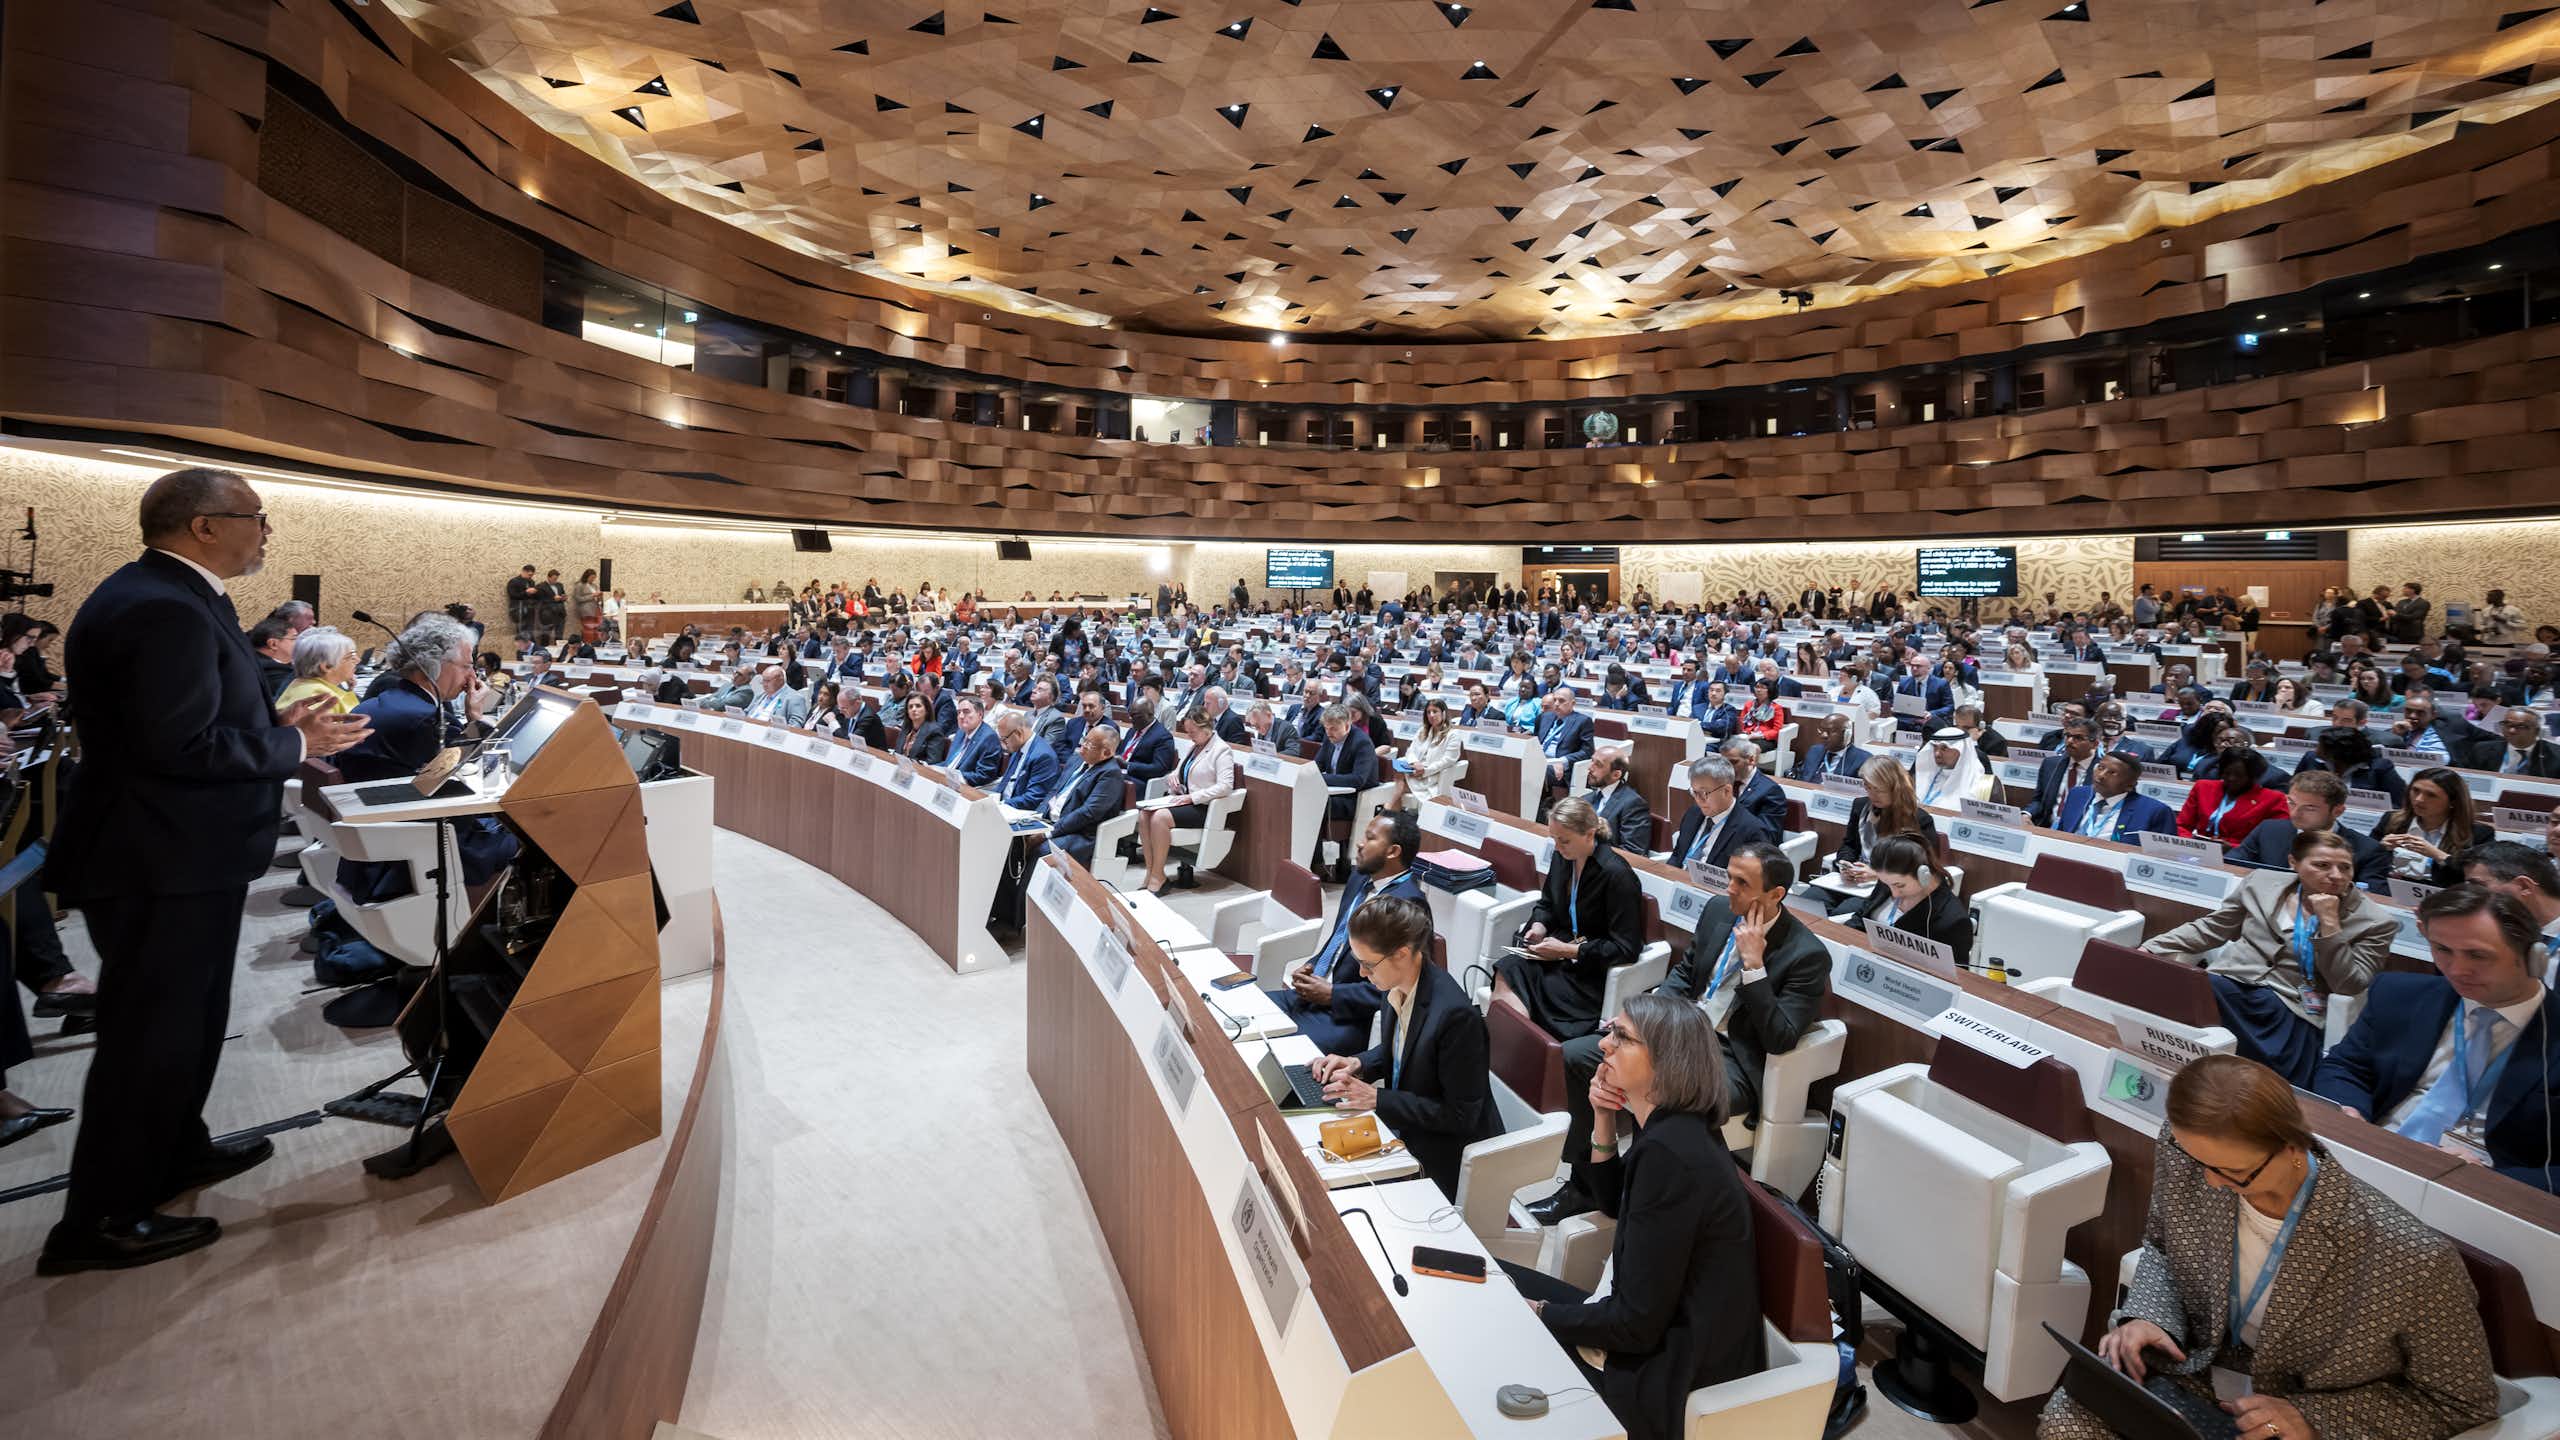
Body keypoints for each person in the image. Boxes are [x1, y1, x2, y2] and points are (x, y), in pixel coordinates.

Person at [39, 467, 372, 1274]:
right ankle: (100, 1219)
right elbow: (174, 746)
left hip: (184, 853)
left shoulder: (173, 597)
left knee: (184, 1024)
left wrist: (272, 719)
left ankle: (172, 1154)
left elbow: (192, 717)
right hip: (161, 858)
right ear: (203, 526)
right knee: (148, 1037)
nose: (265, 534)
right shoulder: (159, 606)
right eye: (257, 519)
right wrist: (296, 745)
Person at [2037, 1054, 2497, 1440]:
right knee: (2068, 1424)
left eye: (2235, 1175)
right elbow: (2161, 1246)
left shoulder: (2410, 1259)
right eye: (2202, 1164)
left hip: (2305, 1406)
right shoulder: (2189, 1154)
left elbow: (2461, 1401)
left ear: (2294, 1146)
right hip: (2198, 1369)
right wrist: (2148, 1317)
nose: (2211, 1182)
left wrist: (2315, 1421)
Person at [1503, 994, 1764, 1440]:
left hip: (1664, 1370)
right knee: (1493, 1278)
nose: (1604, 1045)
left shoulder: (1672, 1152)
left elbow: (1635, 1326)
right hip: (1644, 1324)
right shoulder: (1673, 1126)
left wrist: (1542, 1313)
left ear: (1665, 1062)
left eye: (1622, 1037)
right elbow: (1614, 1205)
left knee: (1501, 1329)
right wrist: (1603, 1121)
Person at [2315, 884, 2556, 1192]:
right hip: (2373, 1156)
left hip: (2481, 1191)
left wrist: (2491, 1178)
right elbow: (2344, 1067)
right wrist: (2349, 1110)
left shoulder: (2553, 1031)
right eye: (2442, 950)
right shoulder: (2398, 993)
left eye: (2477, 955)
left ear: (2534, 957)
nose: (2456, 969)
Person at [2143, 831, 2394, 1085]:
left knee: (2272, 1081)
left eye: (2345, 868)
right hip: (2231, 984)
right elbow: (2212, 929)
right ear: (2293, 863)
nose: (2336, 876)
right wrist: (2151, 948)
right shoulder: (2261, 882)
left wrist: (2330, 926)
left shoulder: (2375, 921)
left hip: (2292, 1005)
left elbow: (2349, 984)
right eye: (2322, 865)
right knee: (2188, 987)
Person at [1307, 894, 1495, 1194]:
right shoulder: (1395, 981)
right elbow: (1407, 1048)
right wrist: (1360, 1063)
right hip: (1408, 1125)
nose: (1361, 974)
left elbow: (1461, 1116)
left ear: (1402, 953)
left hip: (1444, 1154)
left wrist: (1377, 1099)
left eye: (1368, 964)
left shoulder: (1455, 1016)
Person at [1273, 809, 1430, 1053]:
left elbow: (1403, 987)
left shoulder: (1408, 906)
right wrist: (1314, 966)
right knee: (1243, 1014)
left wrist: (1333, 994)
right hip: (1311, 997)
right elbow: (1340, 938)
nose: (1359, 843)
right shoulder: (1360, 878)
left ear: (1393, 851)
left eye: (1370, 838)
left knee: (1275, 1052)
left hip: (1347, 1018)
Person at [1494, 797, 1644, 1045]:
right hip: (1558, 951)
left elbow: (1627, 947)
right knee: (1507, 968)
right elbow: (1547, 904)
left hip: (1589, 969)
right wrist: (1539, 926)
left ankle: (1529, 1054)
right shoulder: (1562, 858)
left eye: (1564, 840)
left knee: (1528, 985)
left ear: (1589, 834)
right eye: (1553, 838)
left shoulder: (1617, 875)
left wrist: (1569, 950)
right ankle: (1508, 1053)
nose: (1557, 846)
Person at [2229, 769, 2389, 891]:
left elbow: (2372, 899)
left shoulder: (2368, 850)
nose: (2295, 813)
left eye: (2310, 808)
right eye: (2291, 802)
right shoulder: (2268, 830)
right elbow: (2231, 865)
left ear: (2337, 811)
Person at [1139, 709, 1235, 894]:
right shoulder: (1195, 746)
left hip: (1203, 806)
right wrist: (1173, 778)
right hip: (1184, 800)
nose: (1189, 736)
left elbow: (1225, 786)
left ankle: (1159, 875)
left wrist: (1192, 797)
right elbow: (1180, 770)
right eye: (1187, 732)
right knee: (1144, 814)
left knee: (1159, 818)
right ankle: (1150, 871)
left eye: (1192, 732)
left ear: (1206, 729)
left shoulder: (1221, 750)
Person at [1845, 832, 1975, 958]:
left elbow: (1957, 974)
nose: (1894, 893)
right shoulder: (1890, 880)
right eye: (1886, 883)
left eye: (1900, 885)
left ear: (1923, 875)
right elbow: (1860, 918)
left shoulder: (1953, 921)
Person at [2372, 765, 2491, 886]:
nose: (2419, 799)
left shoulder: (2478, 834)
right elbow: (2367, 860)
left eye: (2431, 795)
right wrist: (2380, 848)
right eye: (2415, 790)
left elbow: (2479, 878)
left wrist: (2439, 856)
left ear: (2453, 801)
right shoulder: (2391, 820)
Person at [1660, 753, 1771, 871]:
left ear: (1726, 791)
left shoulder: (1752, 830)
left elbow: (1749, 878)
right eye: (1694, 792)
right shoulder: (1692, 814)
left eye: (1704, 793)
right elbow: (1677, 855)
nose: (1698, 800)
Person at [1040, 722, 1125, 869]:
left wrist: (1050, 832)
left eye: (1090, 744)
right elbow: (1054, 791)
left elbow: (1087, 813)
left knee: (1042, 851)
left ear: (1107, 752)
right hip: (1051, 822)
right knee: (1015, 839)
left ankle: (1024, 892)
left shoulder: (1110, 774)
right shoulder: (1076, 759)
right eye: (1085, 740)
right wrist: (1036, 818)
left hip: (1079, 834)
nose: (1083, 746)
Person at [2178, 746, 2288, 850]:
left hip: (2242, 857)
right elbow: (2182, 825)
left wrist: (2234, 848)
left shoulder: (2274, 799)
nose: (2231, 778)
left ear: (2253, 777)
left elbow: (2273, 842)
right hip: (2199, 850)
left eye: (2239, 775)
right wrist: (2191, 843)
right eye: (2227, 773)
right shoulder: (2203, 787)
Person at [2055, 750, 2179, 842]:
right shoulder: (2078, 794)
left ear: (2130, 784)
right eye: (2100, 767)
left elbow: (2160, 855)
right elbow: (2061, 833)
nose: (2101, 775)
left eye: (2112, 773)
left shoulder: (2155, 811)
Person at [2027, 717, 2104, 828]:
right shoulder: (2050, 764)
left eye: (2078, 738)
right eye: (2068, 736)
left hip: (2081, 832)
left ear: (2095, 744)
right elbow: (2039, 800)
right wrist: (2026, 814)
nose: (2069, 741)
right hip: (2047, 827)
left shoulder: (2104, 772)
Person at [273, 626, 360, 716]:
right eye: (351, 657)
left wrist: (349, 690)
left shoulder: (309, 685)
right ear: (327, 666)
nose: (358, 660)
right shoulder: (317, 697)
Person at [1580, 747, 1652, 854]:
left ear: (1616, 775)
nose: (1590, 768)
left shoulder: (1633, 804)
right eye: (1592, 761)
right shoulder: (1585, 799)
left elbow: (1633, 851)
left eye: (1598, 764)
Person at [988, 710, 1059, 813]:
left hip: (1020, 813)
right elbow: (1005, 783)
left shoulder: (1043, 756)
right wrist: (989, 800)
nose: (1003, 744)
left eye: (1004, 739)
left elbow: (1033, 798)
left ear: (1018, 733)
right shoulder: (1018, 746)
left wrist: (1001, 805)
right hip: (1004, 806)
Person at [2466, 705, 2560, 777]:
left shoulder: (2556, 754)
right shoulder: (2482, 749)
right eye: (2507, 724)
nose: (2511, 730)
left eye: (2521, 726)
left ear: (2537, 731)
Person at [1912, 725, 1989, 807]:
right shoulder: (1924, 776)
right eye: (1935, 747)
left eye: (1944, 748)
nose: (1937, 754)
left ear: (1961, 750)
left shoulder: (1979, 785)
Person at [943, 694, 1004, 786]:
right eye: (959, 712)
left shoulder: (989, 738)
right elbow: (950, 764)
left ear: (980, 714)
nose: (961, 716)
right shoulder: (961, 732)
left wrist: (953, 775)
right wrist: (931, 768)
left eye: (966, 712)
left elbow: (984, 776)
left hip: (965, 788)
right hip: (948, 781)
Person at [1792, 713, 1871, 782]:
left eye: (1830, 731)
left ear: (1847, 734)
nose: (1823, 735)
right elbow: (1802, 777)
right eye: (1821, 730)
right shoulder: (1815, 750)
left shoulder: (1863, 760)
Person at [896, 693, 950, 766]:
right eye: (910, 707)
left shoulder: (934, 731)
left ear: (927, 710)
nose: (914, 709)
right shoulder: (906, 727)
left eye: (918, 706)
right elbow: (898, 752)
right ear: (907, 712)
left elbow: (933, 762)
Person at [572, 567, 602, 644]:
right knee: (588, 629)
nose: (593, 579)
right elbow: (578, 598)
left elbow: (597, 598)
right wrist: (592, 595)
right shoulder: (580, 585)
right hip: (586, 610)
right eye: (591, 577)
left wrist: (599, 596)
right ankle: (588, 644)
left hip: (595, 609)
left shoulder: (594, 586)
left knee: (596, 629)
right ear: (586, 576)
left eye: (594, 578)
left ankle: (595, 644)